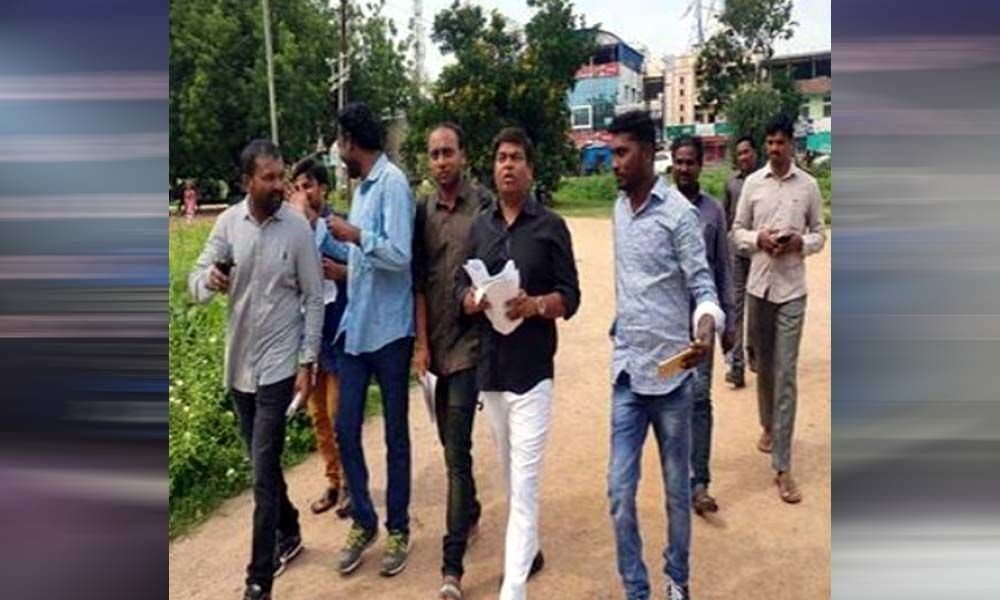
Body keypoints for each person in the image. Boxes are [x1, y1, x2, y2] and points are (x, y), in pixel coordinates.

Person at [188, 139, 323, 600]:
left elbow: (313, 297)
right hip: (238, 365)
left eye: (280, 176)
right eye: (268, 177)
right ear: (247, 181)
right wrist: (209, 279)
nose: (278, 185)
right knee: (260, 463)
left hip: (279, 367)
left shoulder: (298, 230)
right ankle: (289, 526)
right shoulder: (228, 225)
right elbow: (194, 283)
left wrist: (308, 361)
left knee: (262, 468)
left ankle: (258, 580)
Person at [456, 127, 580, 600]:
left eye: (516, 158)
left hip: (532, 372)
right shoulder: (480, 228)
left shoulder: (550, 227)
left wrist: (538, 305)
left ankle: (513, 590)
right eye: (501, 157)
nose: (507, 165)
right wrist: (470, 299)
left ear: (530, 168)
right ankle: (531, 548)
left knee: (524, 485)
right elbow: (456, 286)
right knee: (511, 476)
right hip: (492, 372)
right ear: (493, 167)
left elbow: (572, 296)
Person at [606, 111, 724, 600]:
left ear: (647, 152)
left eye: (621, 153)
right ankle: (637, 588)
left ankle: (677, 581)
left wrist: (704, 327)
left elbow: (703, 287)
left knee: (677, 495)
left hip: (674, 382)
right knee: (618, 494)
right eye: (612, 153)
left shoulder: (678, 214)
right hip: (628, 377)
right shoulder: (616, 209)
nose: (614, 163)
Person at [328, 102, 417, 577]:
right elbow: (360, 256)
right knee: (345, 428)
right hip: (357, 329)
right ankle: (364, 520)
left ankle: (399, 527)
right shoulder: (362, 189)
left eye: (338, 141)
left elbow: (400, 255)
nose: (336, 150)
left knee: (396, 435)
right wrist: (334, 241)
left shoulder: (394, 184)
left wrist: (357, 235)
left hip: (390, 332)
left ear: (350, 142)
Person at [411, 123, 492, 600]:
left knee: (456, 451)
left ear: (463, 155)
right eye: (434, 154)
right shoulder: (422, 212)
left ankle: (451, 566)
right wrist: (421, 346)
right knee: (449, 444)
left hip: (472, 345)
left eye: (448, 152)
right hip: (437, 346)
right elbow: (418, 284)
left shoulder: (481, 206)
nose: (441, 161)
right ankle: (473, 507)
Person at [732, 115, 826, 504]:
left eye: (780, 143)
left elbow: (821, 234)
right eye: (769, 143)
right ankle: (767, 425)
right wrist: (760, 238)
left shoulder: (809, 186)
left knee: (786, 374)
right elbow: (736, 231)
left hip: (791, 292)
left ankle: (783, 468)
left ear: (792, 144)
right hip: (759, 289)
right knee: (764, 368)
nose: (774, 149)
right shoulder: (753, 184)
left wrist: (798, 244)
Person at [670, 135, 735, 517]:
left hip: (703, 323)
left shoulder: (713, 211)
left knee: (698, 400)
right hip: (666, 320)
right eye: (678, 162)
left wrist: (728, 321)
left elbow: (724, 268)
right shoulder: (661, 208)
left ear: (700, 165)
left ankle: (699, 484)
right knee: (668, 401)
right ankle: (676, 475)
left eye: (690, 162)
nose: (684, 168)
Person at [287, 157, 353, 519]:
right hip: (308, 339)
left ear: (323, 189)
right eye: (296, 187)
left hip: (338, 331)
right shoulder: (290, 229)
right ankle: (332, 479)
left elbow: (358, 260)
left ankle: (350, 485)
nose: (303, 193)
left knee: (339, 412)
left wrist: (343, 272)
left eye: (309, 185)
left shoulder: (336, 224)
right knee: (318, 417)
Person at [721, 135, 759, 387]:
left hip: (760, 254)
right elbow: (725, 218)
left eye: (747, 152)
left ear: (755, 153)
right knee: (735, 309)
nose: (743, 157)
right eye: (739, 153)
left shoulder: (765, 182)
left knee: (757, 309)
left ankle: (756, 354)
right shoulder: (731, 184)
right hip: (736, 254)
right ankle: (737, 366)